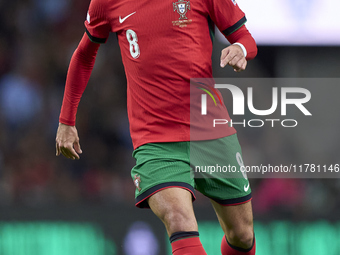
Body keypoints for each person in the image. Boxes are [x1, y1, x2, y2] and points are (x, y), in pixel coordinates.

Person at [56, 0, 258, 254]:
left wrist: (240, 48)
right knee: (178, 220)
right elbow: (84, 54)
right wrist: (66, 120)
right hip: (155, 140)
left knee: (242, 234)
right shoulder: (106, 3)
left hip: (210, 131)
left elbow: (245, 38)